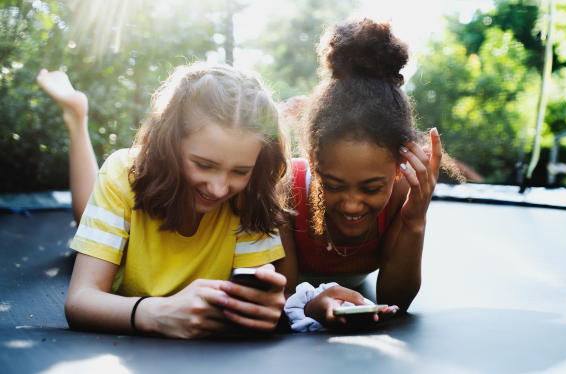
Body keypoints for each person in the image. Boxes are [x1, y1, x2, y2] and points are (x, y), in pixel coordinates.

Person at [37, 62, 294, 338]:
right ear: (169, 144)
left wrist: (263, 310)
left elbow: (252, 302)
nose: (219, 189)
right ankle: (77, 118)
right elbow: (80, 301)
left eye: (239, 171)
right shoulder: (122, 173)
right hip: (130, 201)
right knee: (83, 212)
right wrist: (156, 314)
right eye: (204, 165)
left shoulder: (248, 194)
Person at [279, 18, 463, 330]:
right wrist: (310, 306)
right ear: (313, 163)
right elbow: (281, 300)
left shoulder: (404, 194)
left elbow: (395, 300)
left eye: (371, 188)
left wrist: (415, 220)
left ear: (396, 169)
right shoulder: (286, 189)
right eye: (333, 185)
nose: (352, 204)